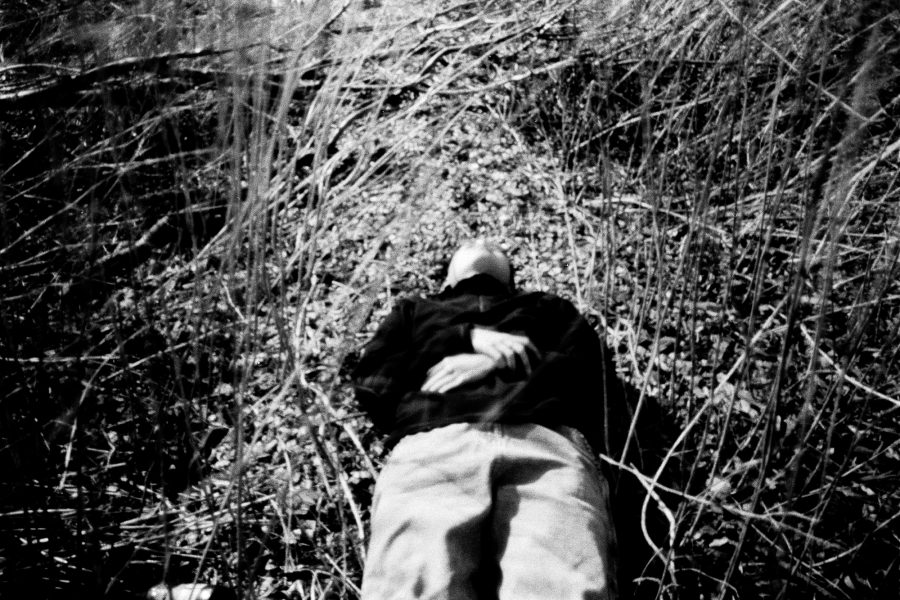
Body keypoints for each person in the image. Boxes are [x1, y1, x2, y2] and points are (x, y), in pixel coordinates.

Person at [352, 239, 626, 600]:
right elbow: (374, 383)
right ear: (447, 280)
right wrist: (461, 337)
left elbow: (593, 375)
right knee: (414, 587)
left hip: (546, 444)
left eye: (497, 247)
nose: (481, 242)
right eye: (468, 243)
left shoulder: (547, 307)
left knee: (562, 587)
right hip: (432, 449)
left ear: (512, 277)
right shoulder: (414, 312)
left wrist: (499, 361)